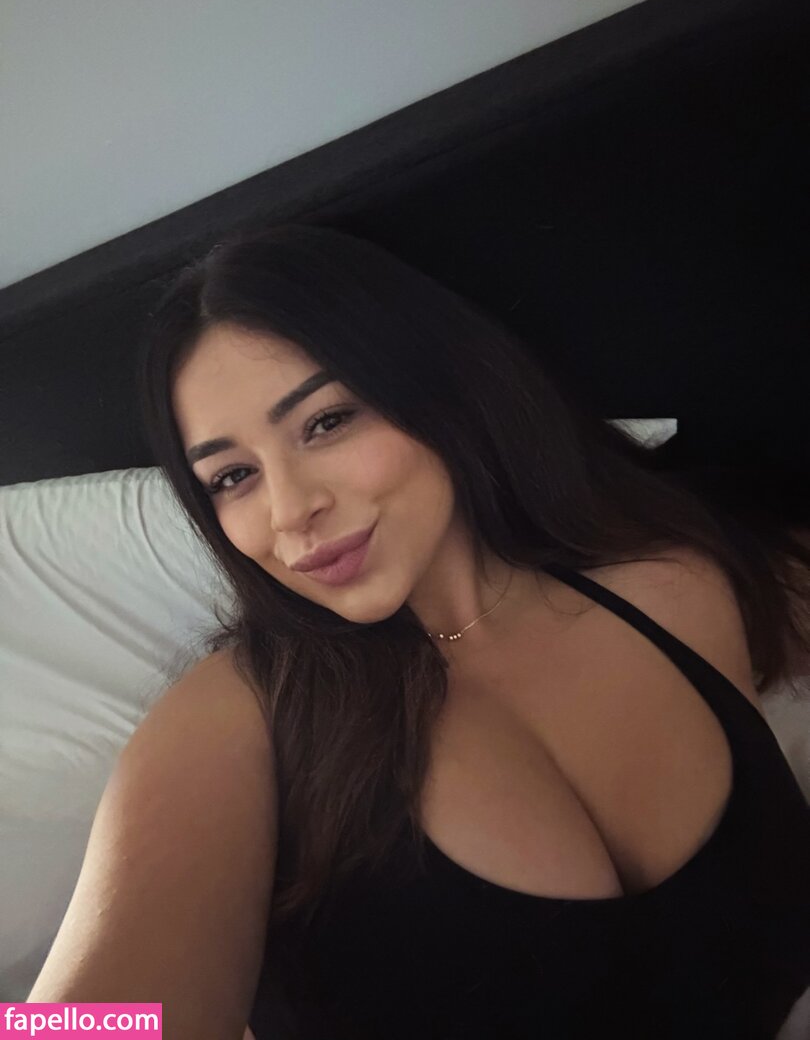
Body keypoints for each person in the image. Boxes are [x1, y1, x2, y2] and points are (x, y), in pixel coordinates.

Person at [28, 224, 810, 1038]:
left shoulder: (674, 583)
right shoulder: (237, 718)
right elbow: (82, 1020)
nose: (290, 510)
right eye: (232, 476)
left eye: (327, 422)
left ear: (442, 388)